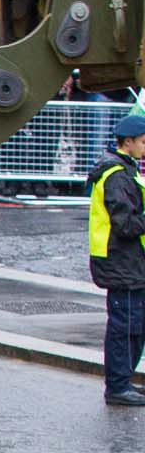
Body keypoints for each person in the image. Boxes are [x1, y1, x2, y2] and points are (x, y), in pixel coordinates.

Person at [91, 113, 145, 405]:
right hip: (120, 261)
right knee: (125, 327)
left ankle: (124, 382)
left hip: (130, 262)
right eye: (143, 142)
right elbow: (125, 224)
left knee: (134, 325)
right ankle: (118, 387)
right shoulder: (116, 175)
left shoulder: (125, 169)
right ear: (128, 142)